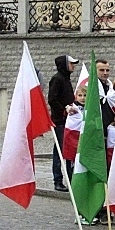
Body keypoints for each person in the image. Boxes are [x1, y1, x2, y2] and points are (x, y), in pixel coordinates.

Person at [48, 54, 79, 192]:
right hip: (60, 121)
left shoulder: (65, 79)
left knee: (63, 149)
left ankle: (69, 179)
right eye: (71, 63)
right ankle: (58, 180)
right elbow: (52, 99)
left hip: (68, 120)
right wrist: (64, 109)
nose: (73, 66)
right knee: (61, 151)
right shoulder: (57, 79)